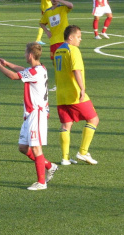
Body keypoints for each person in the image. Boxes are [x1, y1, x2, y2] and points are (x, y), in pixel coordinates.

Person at [0, 42, 59, 191]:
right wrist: (6, 63)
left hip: (37, 114)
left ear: (30, 55)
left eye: (25, 53)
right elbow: (23, 71)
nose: (24, 55)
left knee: (35, 148)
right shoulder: (39, 69)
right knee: (23, 148)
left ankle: (41, 182)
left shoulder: (35, 72)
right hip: (30, 114)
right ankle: (49, 166)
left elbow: (14, 76)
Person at [54, 25, 100, 165]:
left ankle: (65, 158)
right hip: (74, 93)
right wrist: (82, 89)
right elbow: (76, 70)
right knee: (93, 119)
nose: (80, 40)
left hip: (61, 95)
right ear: (71, 37)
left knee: (65, 125)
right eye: (79, 37)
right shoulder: (73, 50)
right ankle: (83, 152)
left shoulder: (58, 50)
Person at [39, 0, 73, 91]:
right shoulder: (48, 11)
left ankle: (70, 82)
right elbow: (41, 23)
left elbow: (71, 5)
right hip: (54, 41)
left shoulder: (63, 8)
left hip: (64, 40)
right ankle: (58, 84)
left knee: (67, 62)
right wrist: (47, 32)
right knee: (56, 64)